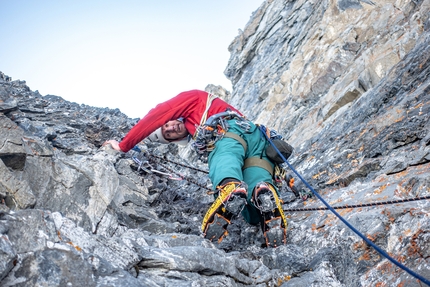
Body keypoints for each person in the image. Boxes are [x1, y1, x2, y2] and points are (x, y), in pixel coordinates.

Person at [103, 89, 287, 247]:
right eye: (168, 133)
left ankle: (229, 187)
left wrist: (124, 145)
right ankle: (264, 198)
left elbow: (159, 112)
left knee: (224, 159)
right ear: (174, 141)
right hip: (258, 140)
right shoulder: (206, 118)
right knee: (255, 207)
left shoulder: (194, 101)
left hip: (228, 132)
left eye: (167, 123)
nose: (171, 127)